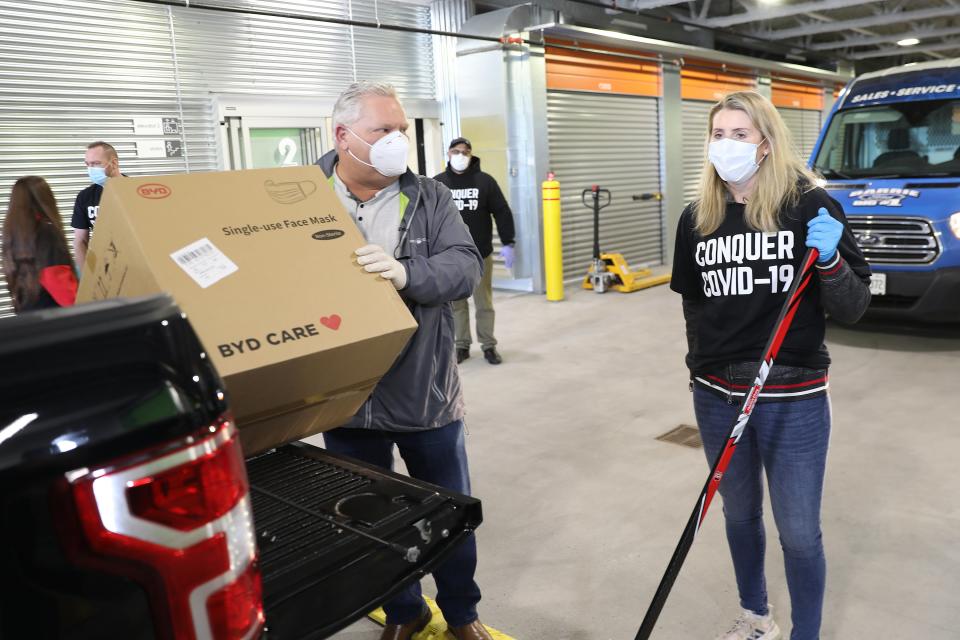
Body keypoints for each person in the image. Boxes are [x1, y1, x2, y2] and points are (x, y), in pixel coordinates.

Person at [669, 91, 871, 640]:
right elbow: (693, 303)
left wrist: (829, 259)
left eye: (740, 134)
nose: (727, 145)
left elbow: (853, 306)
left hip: (794, 397)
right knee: (739, 517)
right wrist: (701, 371)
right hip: (716, 396)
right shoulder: (697, 218)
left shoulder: (810, 206)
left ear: (766, 142)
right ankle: (756, 616)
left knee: (800, 533)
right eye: (718, 134)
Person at [316, 82, 493, 640]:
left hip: (424, 392)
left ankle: (462, 614)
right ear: (343, 137)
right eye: (382, 130)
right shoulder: (298, 198)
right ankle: (403, 612)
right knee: (369, 520)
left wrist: (408, 275)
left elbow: (466, 268)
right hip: (344, 396)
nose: (397, 141)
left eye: (402, 130)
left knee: (447, 516)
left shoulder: (431, 197)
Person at [433, 138, 516, 365]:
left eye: (465, 152)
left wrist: (508, 242)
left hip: (480, 254)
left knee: (484, 303)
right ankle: (462, 345)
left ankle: (488, 345)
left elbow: (502, 211)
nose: (461, 155)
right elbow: (427, 217)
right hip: (450, 257)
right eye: (456, 151)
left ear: (471, 155)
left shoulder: (485, 181)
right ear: (448, 153)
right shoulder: (438, 183)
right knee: (456, 304)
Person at [2, 176, 78, 313]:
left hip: (29, 316)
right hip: (56, 317)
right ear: (45, 199)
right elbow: (59, 283)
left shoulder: (12, 236)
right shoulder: (46, 232)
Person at [72, 140, 122, 271]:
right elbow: (80, 241)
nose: (91, 169)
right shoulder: (85, 197)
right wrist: (86, 275)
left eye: (96, 164)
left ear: (114, 163)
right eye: (88, 164)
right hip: (106, 266)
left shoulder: (135, 190)